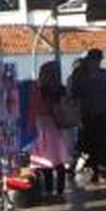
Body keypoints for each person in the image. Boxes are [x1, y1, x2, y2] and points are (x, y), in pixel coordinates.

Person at [71, 49, 106, 182]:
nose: (96, 62)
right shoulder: (79, 74)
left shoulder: (105, 74)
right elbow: (74, 93)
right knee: (87, 143)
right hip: (86, 113)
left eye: (98, 60)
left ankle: (98, 170)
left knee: (101, 142)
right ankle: (92, 171)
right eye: (94, 60)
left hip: (101, 112)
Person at [29, 61, 72, 197]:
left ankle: (48, 190)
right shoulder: (59, 89)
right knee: (58, 159)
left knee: (44, 160)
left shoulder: (38, 89)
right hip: (53, 125)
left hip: (40, 124)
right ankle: (60, 189)